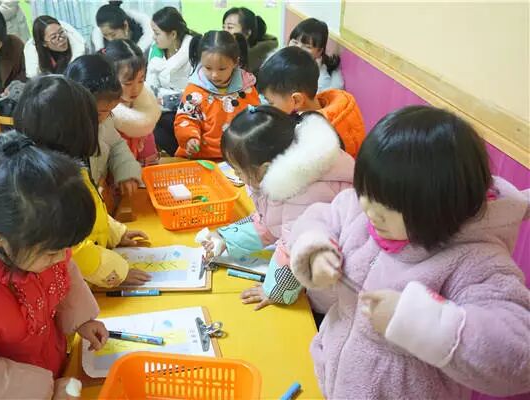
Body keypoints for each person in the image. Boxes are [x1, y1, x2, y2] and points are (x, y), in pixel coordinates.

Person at [288, 105, 530, 399]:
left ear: (440, 208)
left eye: (386, 207)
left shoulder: (476, 260)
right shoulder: (361, 208)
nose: (369, 211)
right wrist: (316, 250)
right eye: (366, 194)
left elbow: (519, 357)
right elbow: (317, 218)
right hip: (336, 376)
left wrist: (418, 321)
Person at [0, 132, 107, 399]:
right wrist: (47, 391)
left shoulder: (29, 233)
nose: (63, 257)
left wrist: (82, 319)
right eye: (53, 253)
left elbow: (63, 272)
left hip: (41, 365)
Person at [201, 106, 354, 310]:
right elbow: (268, 222)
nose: (236, 176)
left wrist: (274, 291)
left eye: (238, 171)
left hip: (340, 285)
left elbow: (296, 251)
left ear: (264, 168)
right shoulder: (284, 172)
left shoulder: (307, 192)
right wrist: (225, 238)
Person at [13, 75, 152, 288]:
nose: (99, 125)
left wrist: (116, 233)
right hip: (70, 284)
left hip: (87, 272)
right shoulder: (49, 185)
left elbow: (91, 211)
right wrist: (119, 271)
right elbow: (73, 249)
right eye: (94, 119)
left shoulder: (66, 165)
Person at [258, 46, 365, 157]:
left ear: (296, 100)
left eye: (271, 103)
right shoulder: (339, 105)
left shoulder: (315, 137)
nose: (268, 107)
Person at [64, 54, 142, 197]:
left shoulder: (105, 122)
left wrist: (126, 171)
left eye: (110, 111)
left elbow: (116, 144)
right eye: (100, 113)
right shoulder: (64, 135)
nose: (105, 117)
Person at [174, 30, 259, 159]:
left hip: (237, 158)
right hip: (200, 157)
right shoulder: (195, 90)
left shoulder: (246, 88)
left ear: (235, 63)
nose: (214, 75)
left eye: (222, 69)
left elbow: (255, 118)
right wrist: (190, 138)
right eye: (208, 68)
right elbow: (185, 118)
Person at [102, 39, 161, 165]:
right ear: (110, 78)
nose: (136, 89)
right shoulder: (103, 114)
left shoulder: (145, 106)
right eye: (128, 83)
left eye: (141, 80)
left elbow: (150, 158)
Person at [147, 6, 194, 156]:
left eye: (157, 33)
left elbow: (194, 92)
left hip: (190, 108)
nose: (153, 37)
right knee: (150, 122)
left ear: (173, 34)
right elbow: (150, 88)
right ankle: (178, 157)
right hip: (163, 109)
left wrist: (163, 97)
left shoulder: (193, 50)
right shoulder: (155, 51)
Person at [288, 18, 343, 91]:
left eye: (307, 46)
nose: (298, 48)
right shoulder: (282, 59)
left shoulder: (322, 76)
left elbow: (319, 95)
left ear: (319, 51)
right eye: (295, 42)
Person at [222, 7, 277, 75]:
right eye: (223, 27)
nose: (224, 32)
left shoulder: (265, 64)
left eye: (230, 27)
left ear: (247, 33)